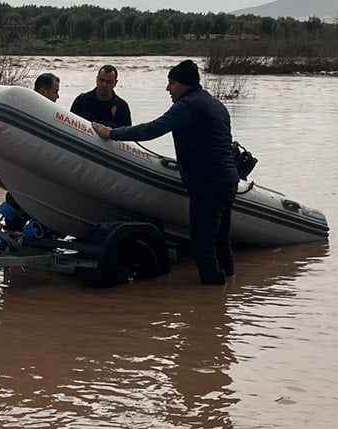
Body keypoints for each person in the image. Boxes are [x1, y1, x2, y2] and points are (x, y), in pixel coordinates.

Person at [92, 60, 237, 285]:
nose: (168, 88)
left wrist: (112, 133)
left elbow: (152, 129)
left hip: (206, 183)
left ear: (184, 85)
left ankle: (212, 302)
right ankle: (228, 293)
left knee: (201, 247)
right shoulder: (216, 105)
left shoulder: (186, 106)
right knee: (221, 240)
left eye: (172, 83)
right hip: (228, 181)